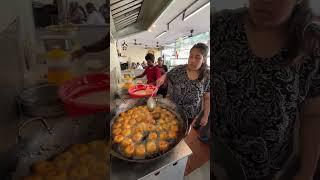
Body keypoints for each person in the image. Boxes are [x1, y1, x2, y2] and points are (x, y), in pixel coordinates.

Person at [211, 0, 320, 180]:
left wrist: (306, 172)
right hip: (216, 163)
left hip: (271, 172)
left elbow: (313, 115)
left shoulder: (311, 43)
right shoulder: (220, 26)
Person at [157, 43, 210, 135]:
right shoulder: (179, 70)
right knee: (169, 128)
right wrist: (162, 77)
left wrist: (206, 115)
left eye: (197, 57)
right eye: (191, 56)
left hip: (191, 113)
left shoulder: (207, 76)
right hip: (173, 109)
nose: (192, 60)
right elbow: (168, 74)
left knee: (183, 131)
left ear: (204, 60)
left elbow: (207, 97)